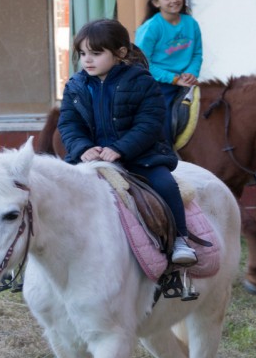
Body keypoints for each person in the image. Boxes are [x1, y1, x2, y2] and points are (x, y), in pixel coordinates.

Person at [58, 18, 197, 266]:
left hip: (140, 158)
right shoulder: (75, 86)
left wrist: (120, 148)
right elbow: (69, 124)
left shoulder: (142, 82)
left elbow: (149, 123)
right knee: (54, 190)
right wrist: (83, 148)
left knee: (165, 184)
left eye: (96, 53)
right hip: (90, 158)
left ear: (120, 53)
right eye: (82, 53)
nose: (87, 60)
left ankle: (179, 239)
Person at [135, 0, 203, 89]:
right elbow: (142, 62)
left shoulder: (191, 23)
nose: (174, 0)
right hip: (158, 84)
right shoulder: (151, 27)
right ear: (156, 3)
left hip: (186, 82)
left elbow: (197, 54)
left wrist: (191, 74)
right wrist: (174, 79)